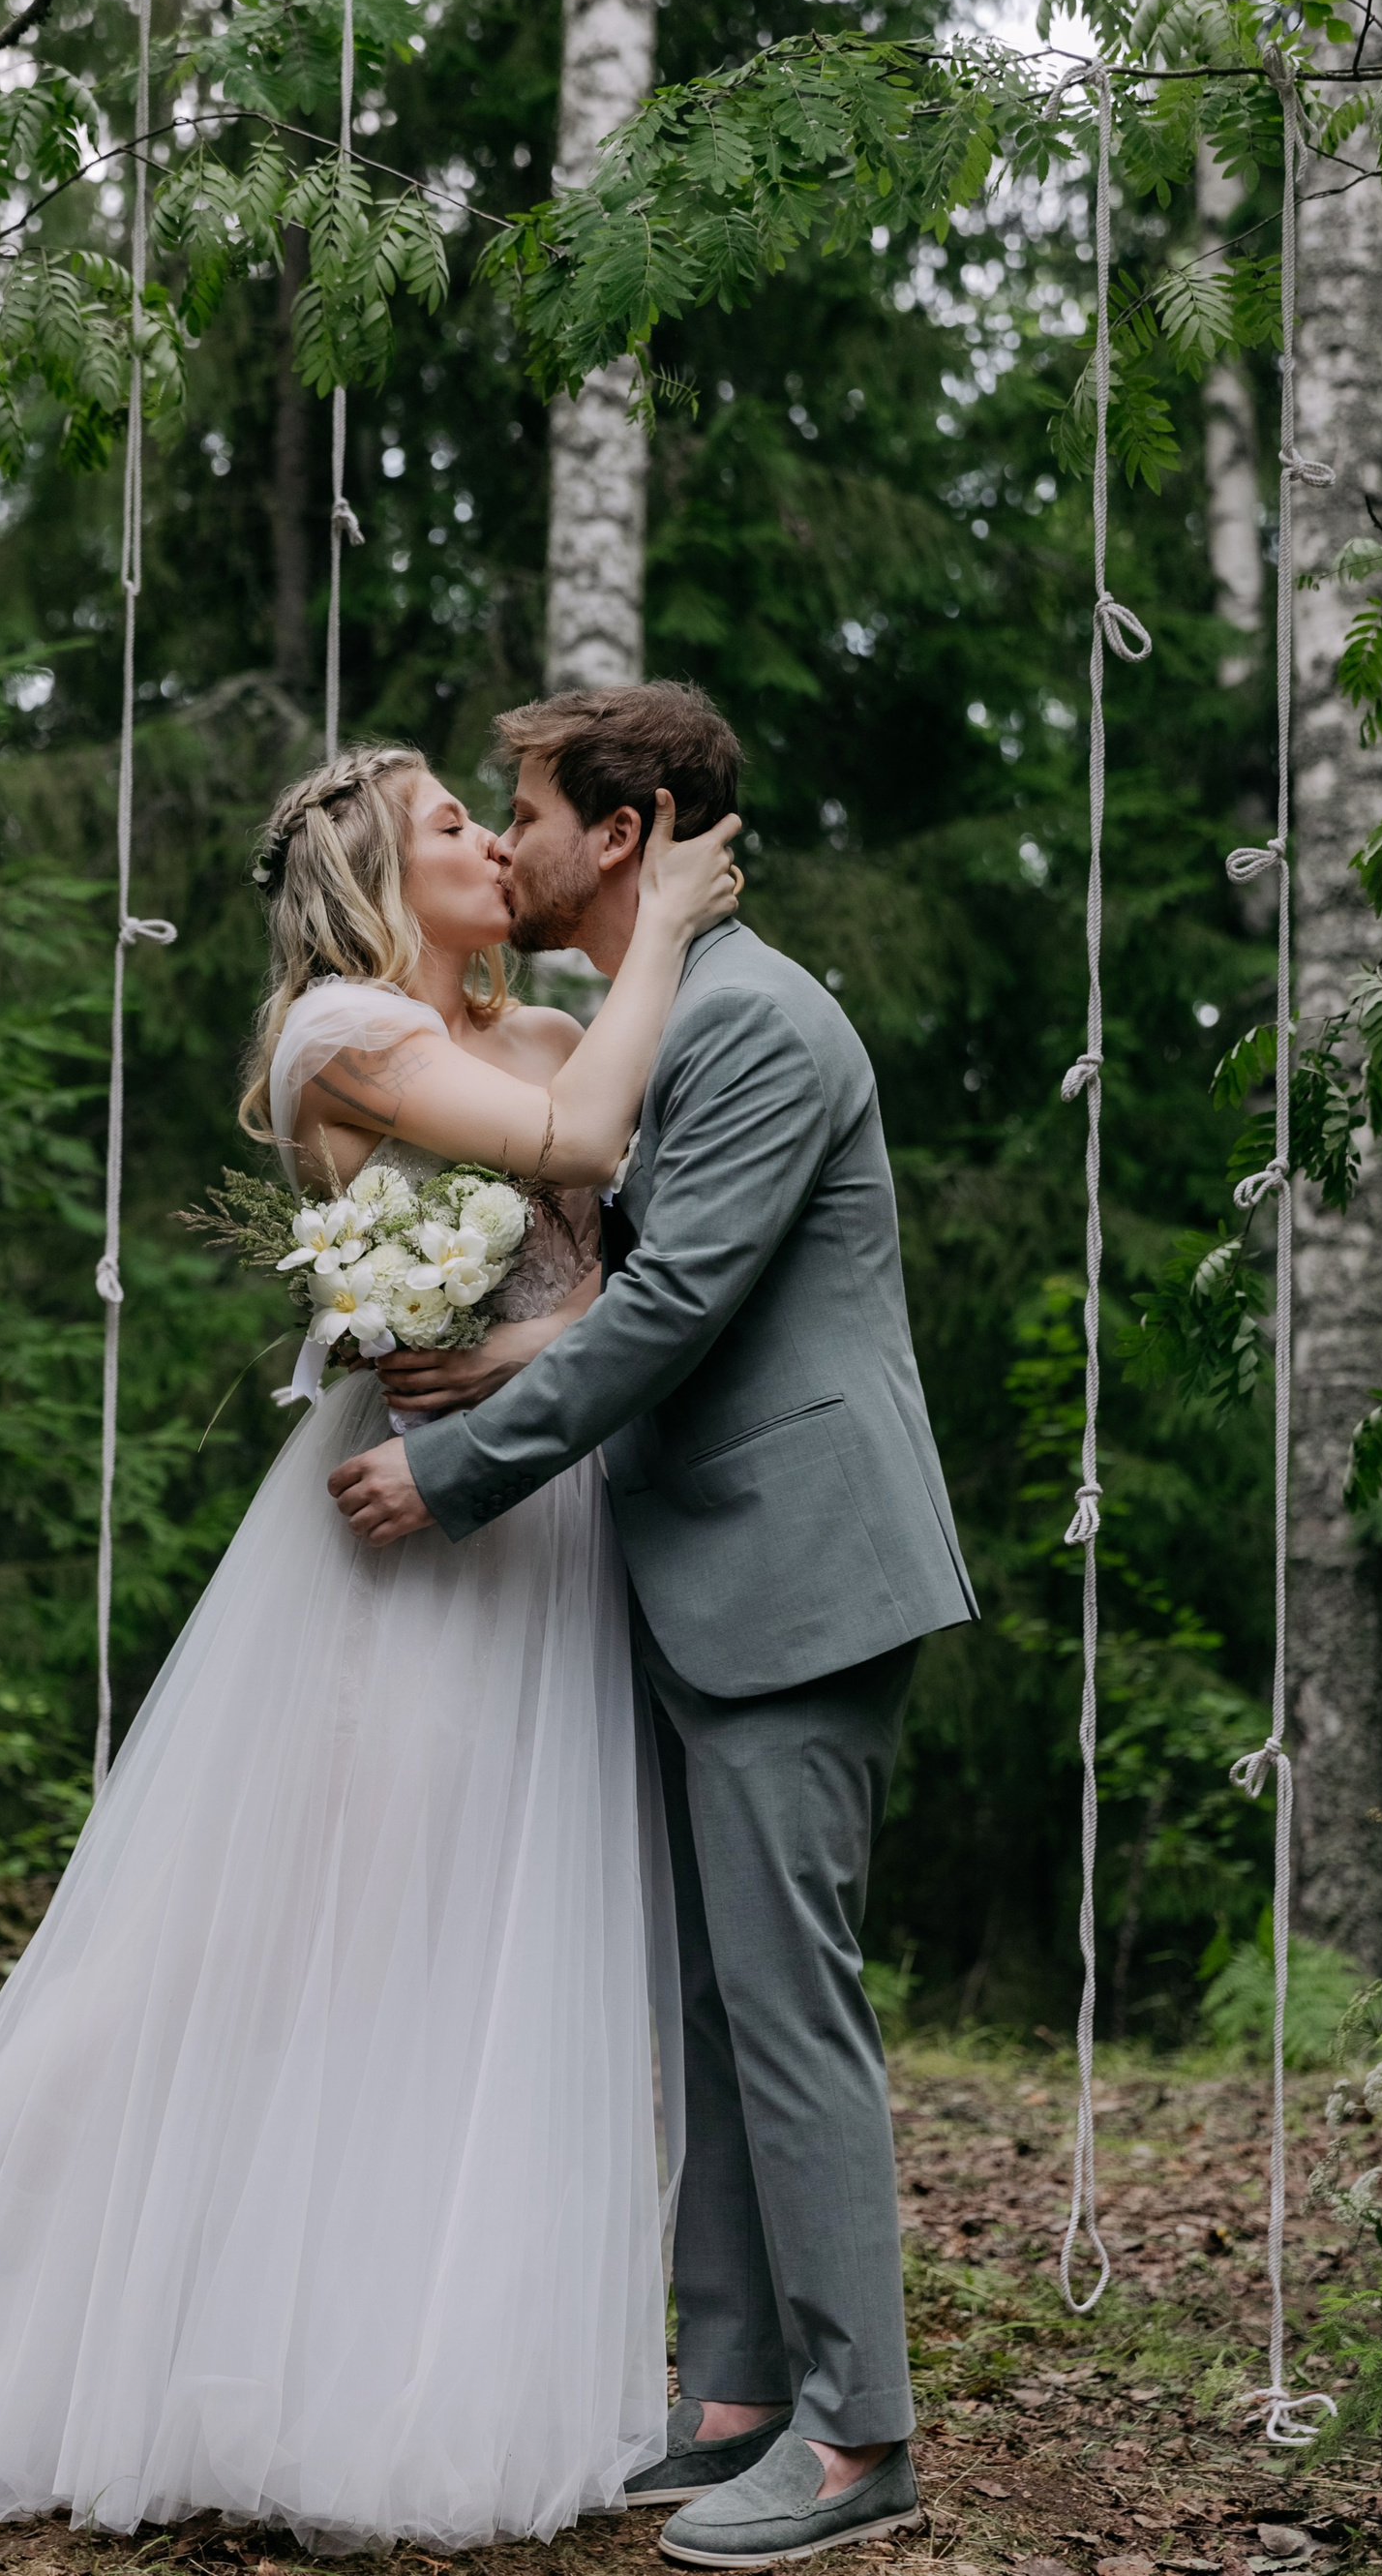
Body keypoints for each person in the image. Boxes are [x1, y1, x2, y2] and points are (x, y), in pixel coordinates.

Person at [0, 742, 739, 2552]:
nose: (488, 839)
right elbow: (579, 1152)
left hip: (548, 1520)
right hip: (401, 1535)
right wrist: (670, 930)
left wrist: (534, 1346)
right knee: (275, 1931)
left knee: (477, 1946)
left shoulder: (543, 1031)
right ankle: (2, 2323)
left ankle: (386, 2373)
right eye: (451, 821)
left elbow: (637, 1280)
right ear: (379, 871)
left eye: (489, 815)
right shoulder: (341, 1037)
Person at [331, 682, 976, 2573]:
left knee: (789, 2009)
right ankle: (737, 2403)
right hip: (711, 1573)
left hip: (801, 1577)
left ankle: (859, 2443)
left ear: (621, 832)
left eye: (526, 809)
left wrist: (456, 1472)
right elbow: (633, 1284)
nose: (508, 842)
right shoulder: (668, 1016)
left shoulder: (757, 1021)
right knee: (712, 2010)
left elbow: (676, 1306)